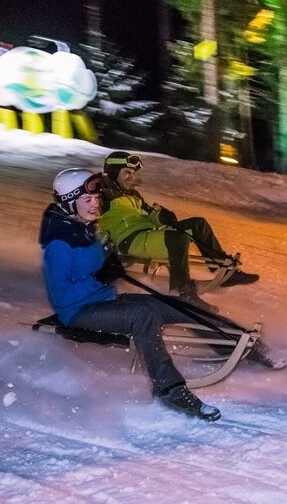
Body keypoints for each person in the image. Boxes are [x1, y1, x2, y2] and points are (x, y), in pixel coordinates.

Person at [39, 167, 221, 421]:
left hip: (104, 301)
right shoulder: (59, 243)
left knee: (169, 304)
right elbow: (61, 297)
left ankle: (227, 341)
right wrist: (99, 277)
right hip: (78, 312)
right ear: (69, 202)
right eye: (88, 200)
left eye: (97, 199)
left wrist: (109, 260)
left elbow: (99, 264)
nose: (95, 205)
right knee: (142, 314)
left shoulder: (88, 229)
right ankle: (169, 388)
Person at [97, 151, 259, 311]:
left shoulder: (134, 195)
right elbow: (87, 216)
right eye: (127, 173)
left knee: (198, 224)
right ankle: (183, 291)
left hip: (148, 234)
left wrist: (163, 216)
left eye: (132, 173)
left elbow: (150, 214)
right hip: (129, 240)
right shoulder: (103, 194)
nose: (131, 177)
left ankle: (224, 271)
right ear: (113, 171)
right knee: (177, 239)